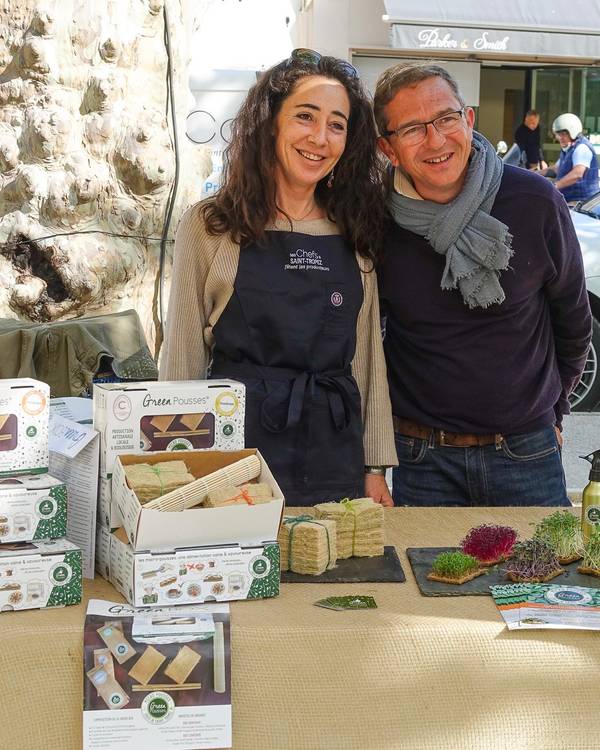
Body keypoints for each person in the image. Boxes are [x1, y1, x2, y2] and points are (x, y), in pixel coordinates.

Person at [160, 49, 396, 506]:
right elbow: (183, 358)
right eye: (305, 116)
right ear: (271, 123)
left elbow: (367, 358)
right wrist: (178, 469)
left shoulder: (355, 228)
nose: (320, 138)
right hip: (235, 456)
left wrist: (374, 468)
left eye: (336, 124)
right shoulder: (211, 225)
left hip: (335, 450)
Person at [373, 62, 592, 507]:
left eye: (446, 119)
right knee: (429, 579)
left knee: (546, 578)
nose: (436, 140)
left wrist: (555, 412)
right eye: (413, 128)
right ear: (388, 148)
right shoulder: (375, 219)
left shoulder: (535, 201)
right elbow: (367, 344)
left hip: (527, 451)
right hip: (422, 458)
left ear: (468, 119)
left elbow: (573, 321)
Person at [541, 113, 599, 203]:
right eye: (558, 134)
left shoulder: (581, 148)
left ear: (573, 131)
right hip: (569, 200)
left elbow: (577, 173)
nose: (560, 138)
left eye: (563, 134)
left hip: (580, 203)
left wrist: (554, 186)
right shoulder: (569, 149)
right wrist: (533, 174)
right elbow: (556, 169)